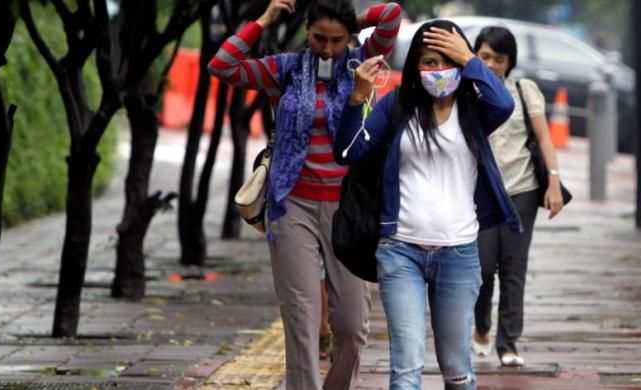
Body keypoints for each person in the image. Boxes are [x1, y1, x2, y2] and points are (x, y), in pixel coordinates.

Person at [208, 0, 402, 388]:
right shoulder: (285, 68)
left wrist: (353, 22)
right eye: (318, 38)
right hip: (291, 204)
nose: (327, 49)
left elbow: (392, 13)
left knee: (351, 325)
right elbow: (222, 65)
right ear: (306, 32)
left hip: (348, 210)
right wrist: (263, 20)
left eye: (336, 40)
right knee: (301, 317)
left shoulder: (362, 60)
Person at [335, 19, 520, 390]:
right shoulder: (397, 106)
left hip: (459, 253)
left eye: (445, 61)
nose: (437, 71)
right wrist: (357, 98)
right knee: (405, 370)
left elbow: (505, 103)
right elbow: (346, 151)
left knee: (456, 369)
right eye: (428, 62)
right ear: (416, 67)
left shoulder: (474, 110)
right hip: (400, 251)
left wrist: (468, 58)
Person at [469, 26, 565, 366]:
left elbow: (544, 138)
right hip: (481, 193)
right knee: (481, 268)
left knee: (513, 267)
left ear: (510, 62)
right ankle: (480, 324)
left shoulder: (525, 91)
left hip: (521, 190)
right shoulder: (467, 91)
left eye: (499, 58)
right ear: (474, 56)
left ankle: (508, 344)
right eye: (485, 57)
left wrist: (553, 181)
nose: (492, 64)